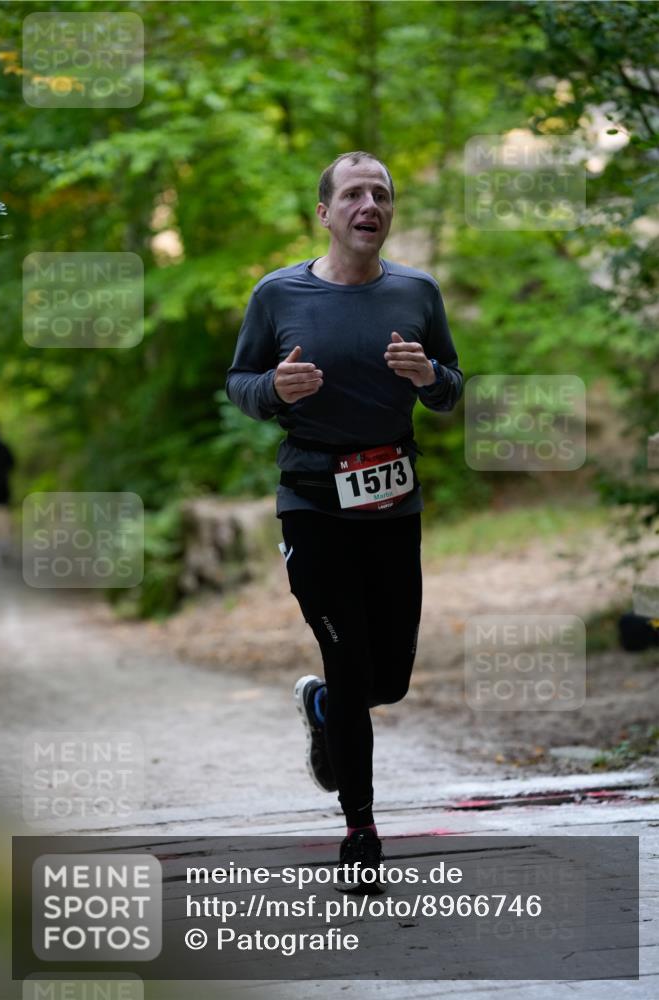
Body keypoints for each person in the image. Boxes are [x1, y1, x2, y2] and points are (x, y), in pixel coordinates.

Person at [226, 151, 463, 892]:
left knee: (385, 678)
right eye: (354, 194)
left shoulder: (416, 292)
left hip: (393, 501)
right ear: (325, 213)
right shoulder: (277, 294)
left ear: (389, 214)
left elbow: (452, 388)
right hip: (313, 499)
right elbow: (239, 382)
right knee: (347, 659)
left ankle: (323, 706)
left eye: (381, 194)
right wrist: (273, 387)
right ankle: (360, 829)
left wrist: (429, 379)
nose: (370, 204)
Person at [0, 421, 15, 565]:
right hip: (2, 485)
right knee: (3, 513)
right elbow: (12, 464)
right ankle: (4, 544)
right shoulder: (3, 446)